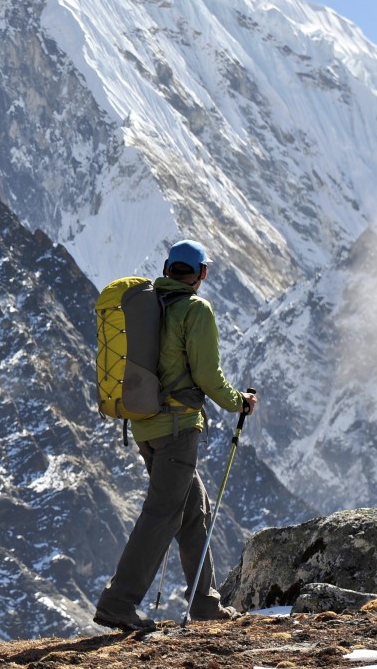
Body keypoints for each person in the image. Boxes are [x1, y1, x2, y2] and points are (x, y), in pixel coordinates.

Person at [92, 240, 259, 632]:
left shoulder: (149, 306)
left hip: (146, 427)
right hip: (177, 428)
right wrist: (239, 401)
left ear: (168, 268)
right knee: (162, 514)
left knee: (192, 512)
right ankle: (118, 602)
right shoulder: (194, 310)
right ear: (201, 274)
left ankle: (204, 602)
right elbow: (206, 375)